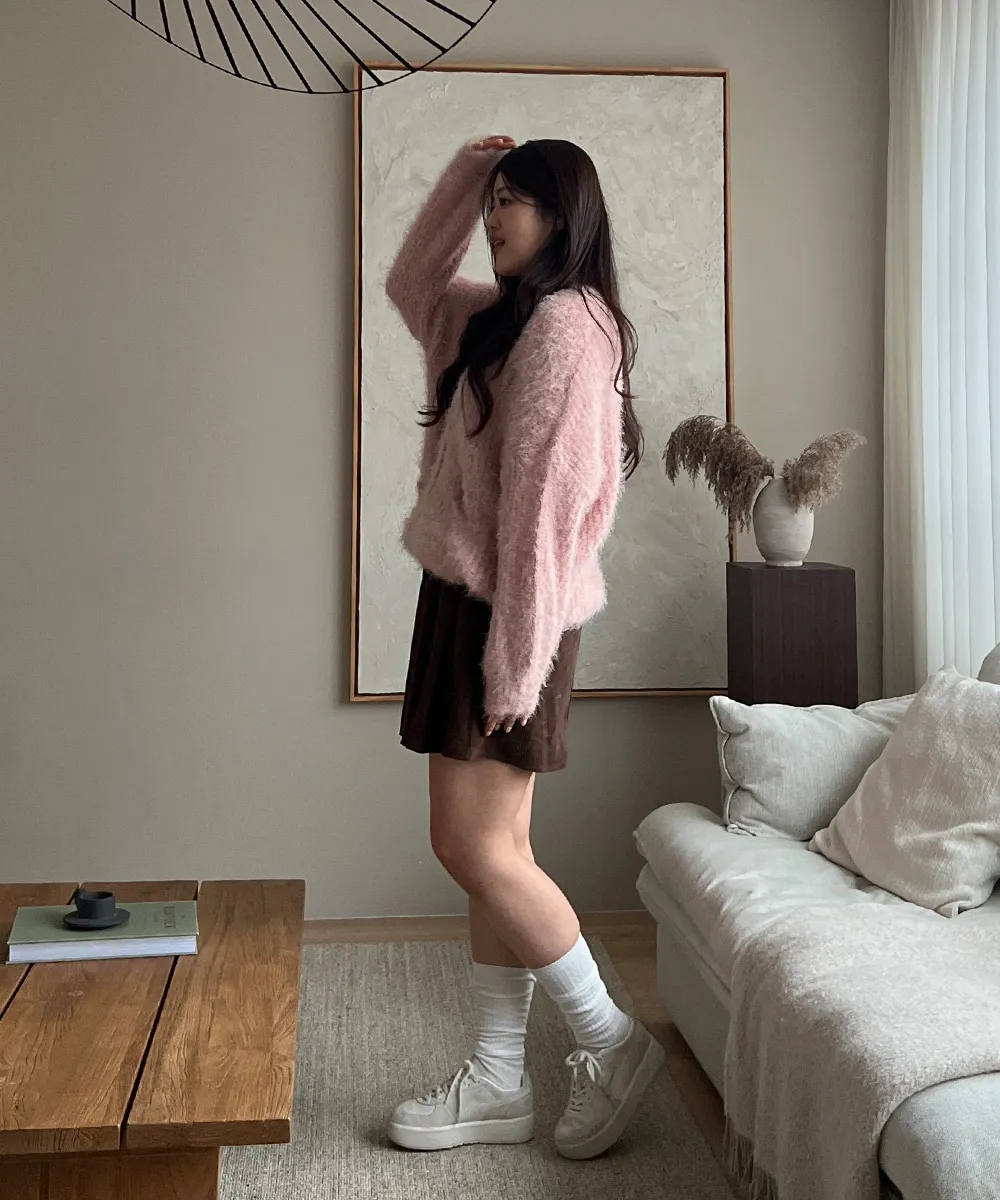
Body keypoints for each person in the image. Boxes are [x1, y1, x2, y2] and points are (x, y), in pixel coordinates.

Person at [383, 133, 663, 1161]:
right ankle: (499, 1081)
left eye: (514, 201)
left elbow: (544, 516)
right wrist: (465, 176)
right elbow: (411, 282)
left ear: (564, 215)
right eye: (492, 200)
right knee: (497, 854)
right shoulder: (495, 319)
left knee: (469, 848)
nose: (497, 217)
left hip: (510, 614)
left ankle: (611, 1039)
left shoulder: (569, 330)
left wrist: (514, 661)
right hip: (470, 603)